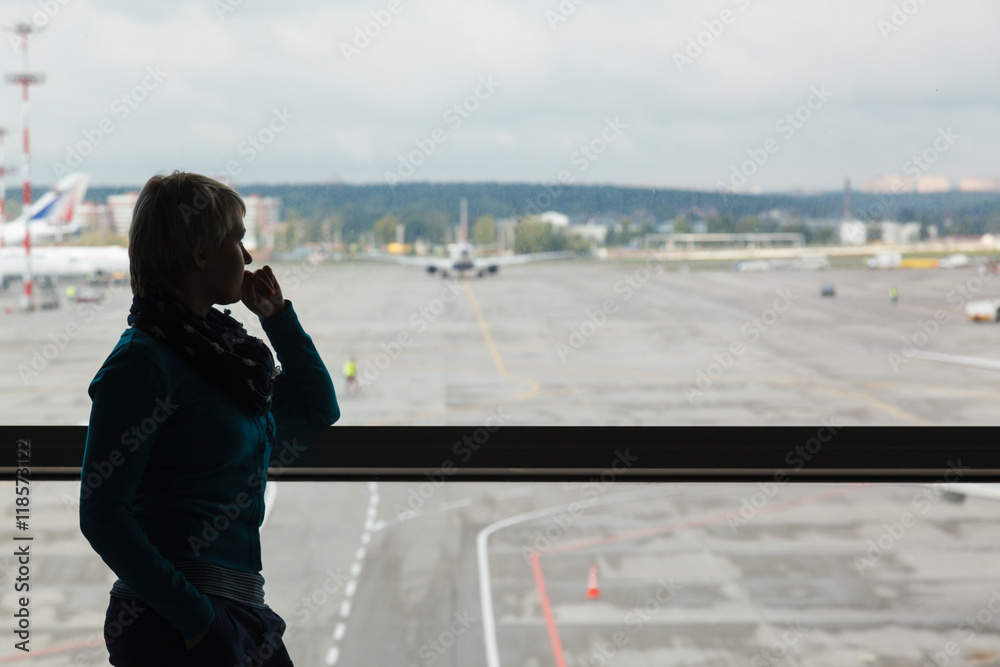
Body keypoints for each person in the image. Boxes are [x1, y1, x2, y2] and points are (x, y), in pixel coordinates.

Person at [79, 171, 339, 666]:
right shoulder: (142, 362)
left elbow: (317, 408)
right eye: (236, 240)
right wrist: (196, 620)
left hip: (238, 610)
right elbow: (101, 514)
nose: (245, 257)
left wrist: (277, 316)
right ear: (200, 254)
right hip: (175, 622)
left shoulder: (226, 359)